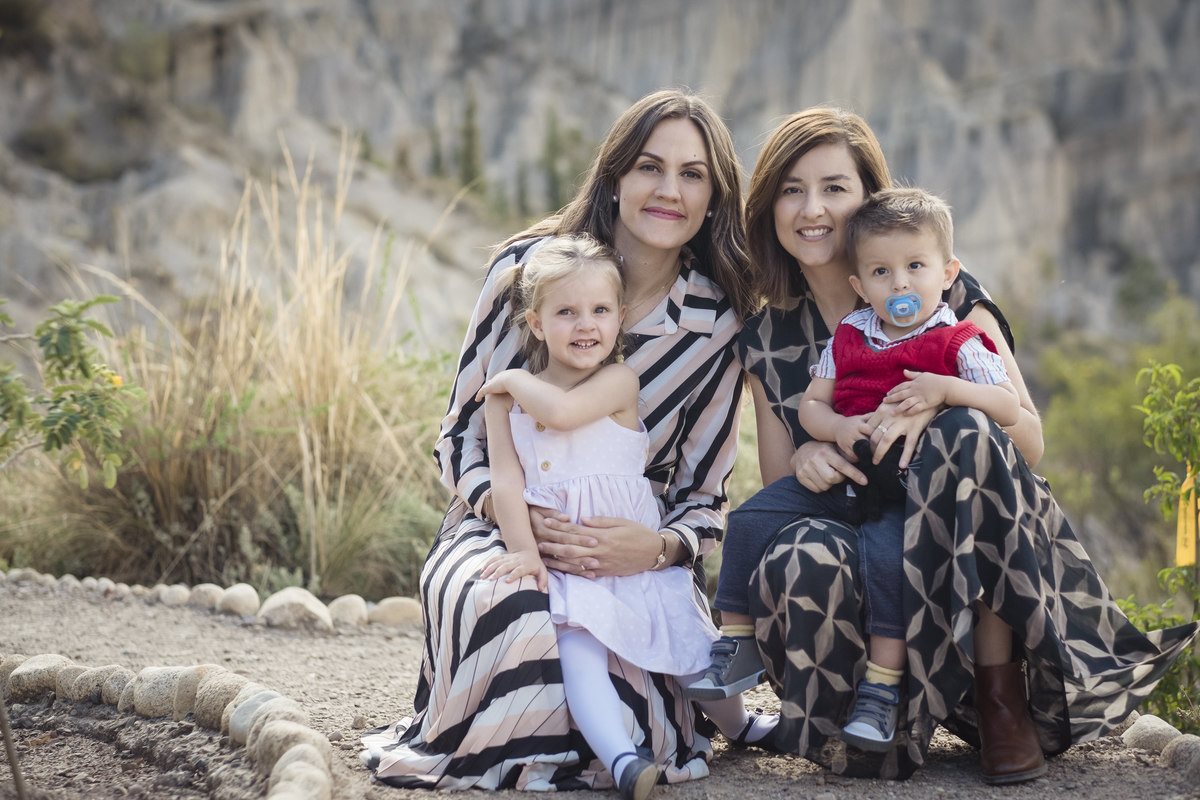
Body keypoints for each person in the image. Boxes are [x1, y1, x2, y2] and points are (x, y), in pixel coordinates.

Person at [726, 106, 1198, 783]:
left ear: (869, 197)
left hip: (970, 541)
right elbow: (783, 490)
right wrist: (807, 453)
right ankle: (863, 723)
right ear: (769, 205)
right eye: (792, 189)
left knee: (962, 431)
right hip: (859, 528)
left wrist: (944, 399)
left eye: (834, 187)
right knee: (799, 549)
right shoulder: (768, 337)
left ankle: (1000, 693)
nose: (812, 209)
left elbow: (1026, 441)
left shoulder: (944, 291)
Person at [360, 88, 763, 792]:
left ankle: (631, 748)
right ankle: (525, 749)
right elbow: (459, 438)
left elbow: (703, 496)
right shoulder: (527, 273)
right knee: (514, 610)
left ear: (714, 197)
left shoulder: (717, 325)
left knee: (628, 660)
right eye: (649, 166)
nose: (669, 190)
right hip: (499, 523)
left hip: (628, 546)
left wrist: (655, 548)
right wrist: (517, 521)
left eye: (692, 174)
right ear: (615, 176)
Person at [475, 235, 776, 800]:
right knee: (578, 653)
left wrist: (513, 379)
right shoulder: (502, 403)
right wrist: (525, 552)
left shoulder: (617, 381)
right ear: (536, 323)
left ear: (618, 320)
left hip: (632, 556)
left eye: (600, 310)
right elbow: (507, 482)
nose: (585, 324)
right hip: (570, 564)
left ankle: (742, 725)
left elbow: (563, 413)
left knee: (689, 644)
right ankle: (622, 761)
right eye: (566, 312)